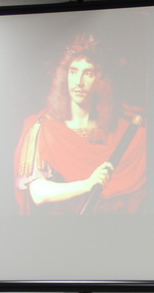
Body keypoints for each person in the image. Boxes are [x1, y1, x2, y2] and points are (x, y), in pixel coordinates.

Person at [14, 34, 146, 214]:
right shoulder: (43, 127)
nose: (79, 82)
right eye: (73, 71)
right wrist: (88, 184)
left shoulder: (121, 129)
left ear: (100, 80)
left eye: (88, 73)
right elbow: (39, 194)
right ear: (64, 76)